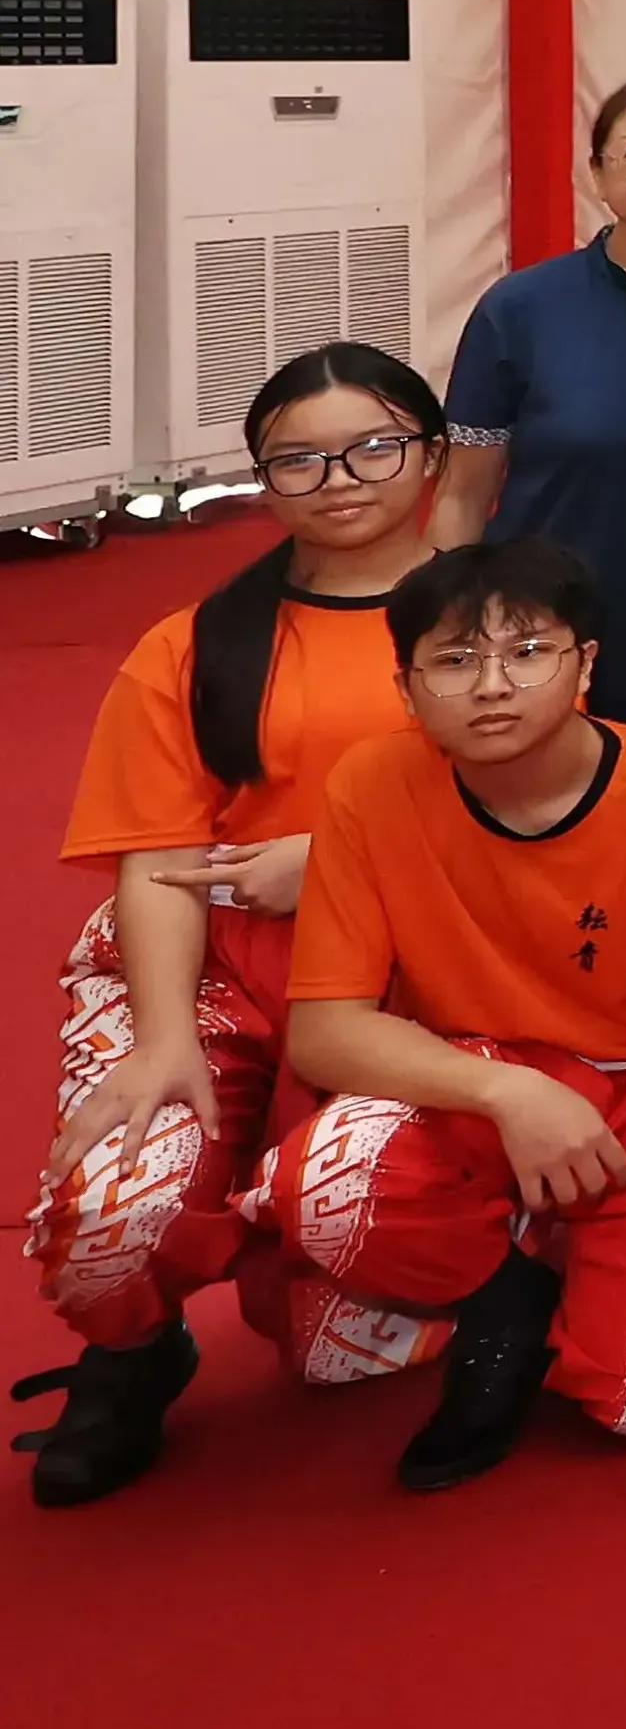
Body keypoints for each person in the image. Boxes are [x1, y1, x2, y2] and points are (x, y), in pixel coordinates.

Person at [19, 348, 452, 1504]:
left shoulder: (499, 619)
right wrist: (162, 1038)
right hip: (217, 971)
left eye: (374, 445)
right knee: (114, 1200)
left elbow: (551, 821)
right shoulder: (195, 642)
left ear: (433, 453)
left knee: (345, 1341)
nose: (340, 478)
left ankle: (378, 1253)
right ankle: (132, 1348)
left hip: (422, 991)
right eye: (298, 459)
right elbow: (156, 862)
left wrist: (339, 859)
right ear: (262, 481)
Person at [270, 542, 626, 1489]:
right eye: (456, 661)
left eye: (527, 653)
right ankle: (498, 1294)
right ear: (407, 686)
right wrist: (505, 1090)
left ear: (587, 665)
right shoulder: (368, 786)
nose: (492, 686)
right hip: (480, 1082)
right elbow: (325, 1031)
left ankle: (566, 1255)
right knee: (319, 1183)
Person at [439, 75, 626, 746]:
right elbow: (463, 495)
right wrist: (450, 629)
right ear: (597, 173)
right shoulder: (520, 308)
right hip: (549, 632)